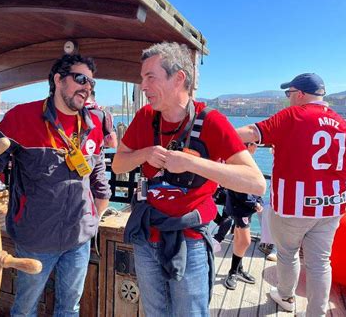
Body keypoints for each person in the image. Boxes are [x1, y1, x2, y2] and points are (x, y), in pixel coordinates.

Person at [0, 54, 111, 316]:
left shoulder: (93, 124)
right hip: (35, 238)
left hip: (79, 238)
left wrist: (96, 213)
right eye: (80, 78)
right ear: (58, 79)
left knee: (70, 308)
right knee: (25, 308)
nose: (87, 87)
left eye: (91, 82)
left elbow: (98, 172)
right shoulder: (21, 117)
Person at [112, 42, 266, 316]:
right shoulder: (145, 117)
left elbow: (256, 182)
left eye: (150, 77)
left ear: (179, 78)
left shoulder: (212, 121)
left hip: (191, 239)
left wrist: (192, 162)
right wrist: (145, 153)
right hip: (148, 236)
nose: (143, 86)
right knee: (155, 312)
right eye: (142, 78)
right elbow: (118, 163)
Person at [236, 73, 346, 315]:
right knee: (320, 263)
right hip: (331, 207)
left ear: (299, 94)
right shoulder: (342, 124)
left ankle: (286, 297)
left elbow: (250, 132)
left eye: (289, 94)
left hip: (294, 207)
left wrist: (209, 137)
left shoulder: (292, 116)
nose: (287, 99)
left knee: (287, 254)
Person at [224, 142, 264, 290]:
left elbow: (255, 183)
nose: (257, 147)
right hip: (240, 208)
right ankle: (233, 272)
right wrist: (255, 204)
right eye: (254, 144)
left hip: (244, 209)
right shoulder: (240, 165)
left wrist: (257, 200)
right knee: (245, 241)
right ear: (246, 146)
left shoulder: (246, 162)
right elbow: (240, 189)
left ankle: (238, 268)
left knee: (239, 239)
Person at [211, 187, 233, 253]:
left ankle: (218, 239)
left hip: (229, 192)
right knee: (227, 215)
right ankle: (221, 223)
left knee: (227, 215)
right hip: (227, 191)